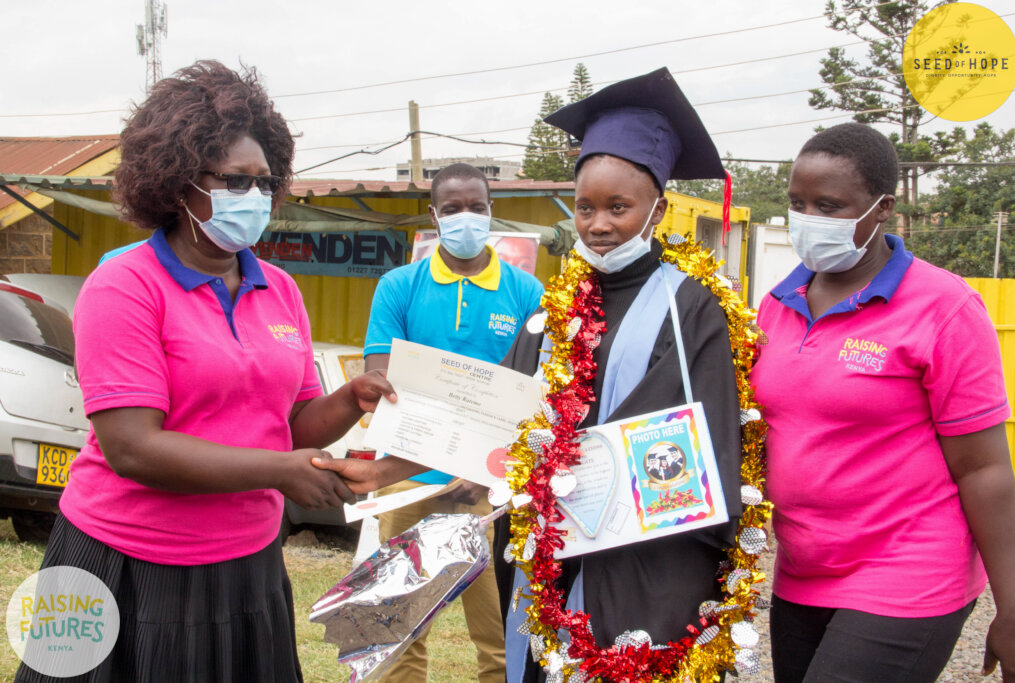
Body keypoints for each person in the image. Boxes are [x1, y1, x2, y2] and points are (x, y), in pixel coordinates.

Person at [15, 60, 395, 683]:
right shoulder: (125, 284)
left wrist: (351, 397)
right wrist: (280, 474)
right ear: (179, 181)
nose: (256, 198)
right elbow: (131, 448)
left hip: (248, 562)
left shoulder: (280, 291)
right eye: (236, 181)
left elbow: (293, 427)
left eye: (265, 182)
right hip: (120, 561)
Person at [492, 67, 743, 682]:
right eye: (584, 207)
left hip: (645, 558)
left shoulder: (691, 306)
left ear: (657, 207)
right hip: (553, 551)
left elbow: (699, 436)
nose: (599, 224)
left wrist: (572, 468)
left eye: (618, 207)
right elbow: (504, 404)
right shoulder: (558, 305)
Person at [751, 123, 1015, 683]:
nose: (808, 219)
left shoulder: (944, 308)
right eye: (797, 203)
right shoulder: (777, 305)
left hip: (908, 570)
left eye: (828, 205)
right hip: (802, 569)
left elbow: (985, 468)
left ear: (881, 209)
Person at [359, 162, 544, 683]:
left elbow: (530, 396)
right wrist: (440, 455)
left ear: (492, 211)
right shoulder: (400, 286)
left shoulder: (525, 292)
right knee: (398, 625)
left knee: (500, 635)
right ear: (435, 215)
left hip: (490, 488)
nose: (467, 217)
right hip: (407, 479)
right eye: (454, 208)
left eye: (477, 207)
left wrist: (485, 471)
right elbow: (382, 377)